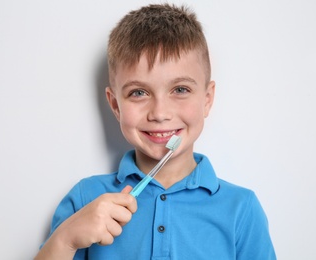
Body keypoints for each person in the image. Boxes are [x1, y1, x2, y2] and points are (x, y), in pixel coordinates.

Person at [35, 3, 276, 260]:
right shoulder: (86, 199)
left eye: (180, 89)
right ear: (116, 105)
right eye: (139, 92)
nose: (160, 113)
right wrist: (65, 240)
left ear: (207, 100)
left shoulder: (241, 208)